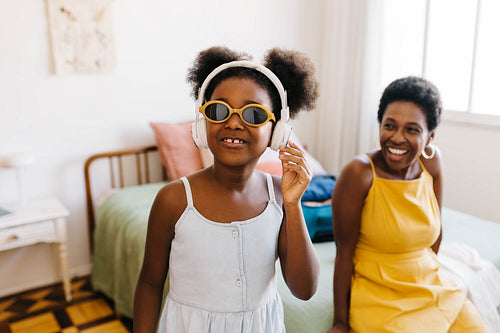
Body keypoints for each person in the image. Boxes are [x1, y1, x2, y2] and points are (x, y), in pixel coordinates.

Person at [134, 46, 321, 333]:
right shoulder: (173, 200)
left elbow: (304, 289)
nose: (233, 123)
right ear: (202, 123)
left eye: (254, 114)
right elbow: (149, 283)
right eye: (219, 111)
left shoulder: (280, 197)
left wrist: (294, 205)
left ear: (277, 130)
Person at [327, 76, 490, 333]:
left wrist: (431, 275)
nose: (397, 138)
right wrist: (340, 322)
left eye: (412, 129)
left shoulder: (432, 162)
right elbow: (344, 252)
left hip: (429, 286)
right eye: (389, 125)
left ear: (430, 136)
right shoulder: (359, 173)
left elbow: (436, 229)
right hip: (379, 293)